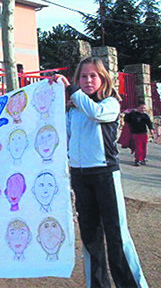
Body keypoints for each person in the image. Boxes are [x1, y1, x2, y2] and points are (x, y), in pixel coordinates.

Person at [53, 57, 148, 288]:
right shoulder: (73, 111)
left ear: (103, 79)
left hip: (105, 175)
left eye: (93, 75)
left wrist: (71, 90)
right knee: (90, 238)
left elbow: (95, 113)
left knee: (117, 237)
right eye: (83, 76)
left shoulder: (110, 104)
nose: (88, 80)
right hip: (80, 177)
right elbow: (61, 138)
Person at [124, 101, 155, 166]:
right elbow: (126, 120)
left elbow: (149, 123)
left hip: (143, 133)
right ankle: (138, 159)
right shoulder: (133, 115)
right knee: (138, 147)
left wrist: (151, 129)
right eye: (141, 108)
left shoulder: (145, 116)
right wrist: (127, 114)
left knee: (144, 147)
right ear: (137, 108)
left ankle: (143, 158)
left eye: (144, 108)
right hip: (135, 133)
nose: (143, 109)